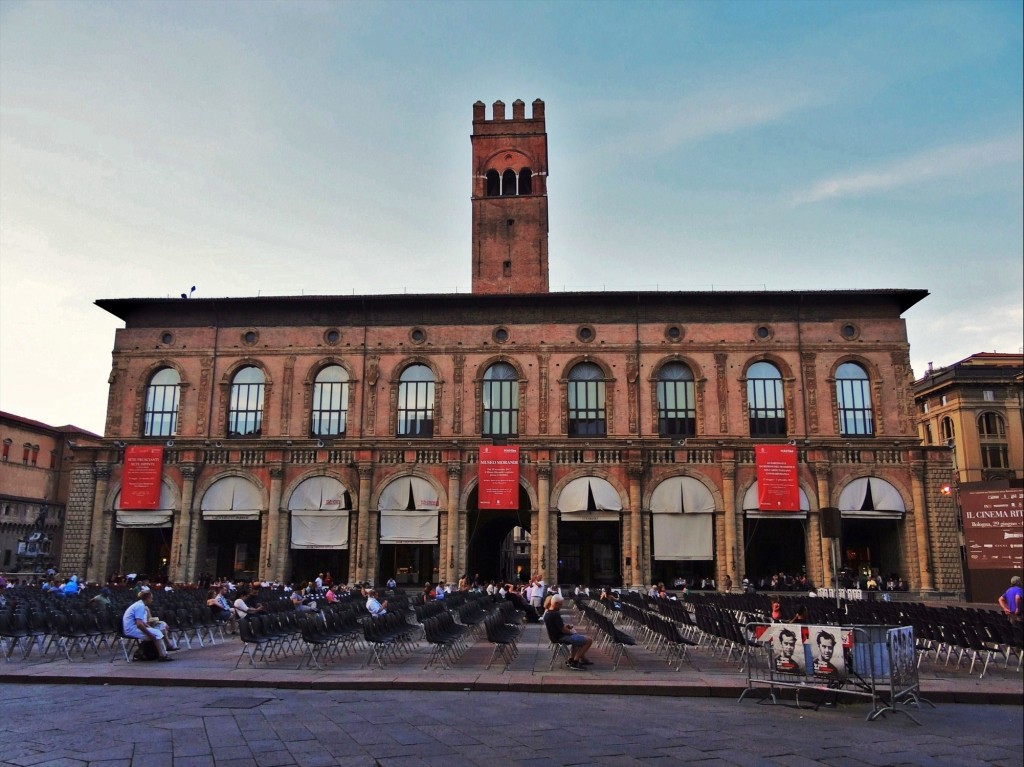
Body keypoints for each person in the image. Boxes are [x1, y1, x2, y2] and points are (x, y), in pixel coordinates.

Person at [543, 593, 593, 670]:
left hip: (555, 636)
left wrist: (567, 627)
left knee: (577, 640)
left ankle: (571, 659)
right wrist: (572, 632)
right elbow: (563, 630)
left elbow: (558, 626)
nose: (561, 606)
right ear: (556, 604)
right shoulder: (555, 614)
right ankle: (575, 662)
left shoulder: (548, 613)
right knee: (589, 640)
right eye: (560, 605)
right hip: (560, 637)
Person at [122, 590, 175, 661]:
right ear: (147, 598)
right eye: (151, 598)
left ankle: (162, 654)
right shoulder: (140, 606)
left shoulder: (140, 605)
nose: (152, 600)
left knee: (158, 631)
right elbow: (139, 624)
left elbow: (142, 622)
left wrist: (150, 629)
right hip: (131, 629)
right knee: (157, 633)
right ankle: (163, 656)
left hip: (133, 627)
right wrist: (150, 634)